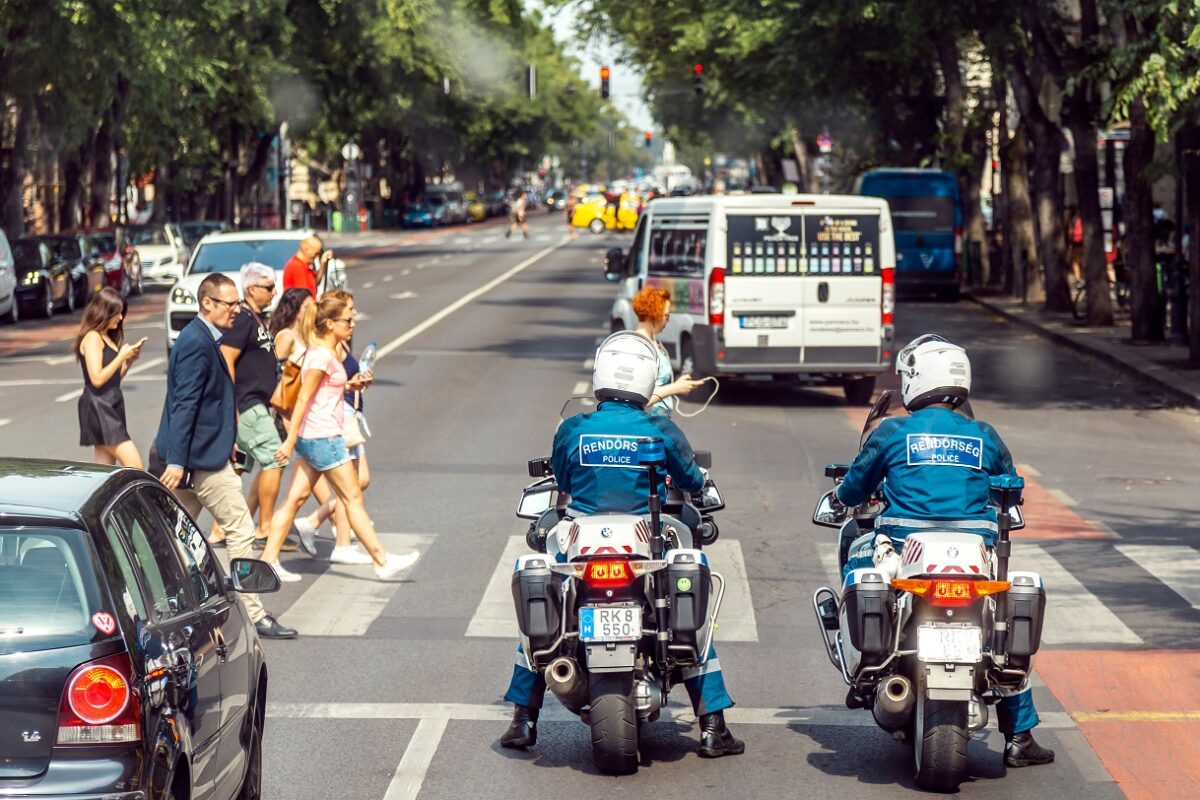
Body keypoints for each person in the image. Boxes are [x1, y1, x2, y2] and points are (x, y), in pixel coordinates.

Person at [500, 331, 744, 759]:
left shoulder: (574, 428)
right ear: (647, 379)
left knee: (545, 613)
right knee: (689, 621)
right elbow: (691, 479)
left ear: (600, 374)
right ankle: (712, 727)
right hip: (644, 540)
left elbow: (562, 479)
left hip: (580, 538)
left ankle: (523, 718)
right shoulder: (659, 428)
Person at [835, 334, 1054, 769]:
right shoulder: (983, 434)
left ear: (916, 379)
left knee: (854, 549)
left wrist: (845, 495)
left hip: (902, 552)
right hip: (973, 556)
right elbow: (1010, 491)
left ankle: (870, 660)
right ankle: (1020, 736)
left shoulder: (894, 431)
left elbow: (853, 489)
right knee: (1000, 629)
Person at [152, 273, 296, 640]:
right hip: (200, 461)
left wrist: (227, 440)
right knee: (240, 529)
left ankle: (162, 604)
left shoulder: (202, 337)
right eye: (230, 304)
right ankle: (254, 614)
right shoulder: (197, 343)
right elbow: (184, 405)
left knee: (169, 535)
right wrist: (177, 461)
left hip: (200, 454)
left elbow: (209, 403)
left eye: (237, 304)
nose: (236, 310)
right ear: (207, 303)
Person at [268, 291, 417, 581]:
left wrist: (351, 385)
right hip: (324, 438)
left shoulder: (322, 352)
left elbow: (323, 392)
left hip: (314, 436)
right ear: (329, 324)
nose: (352, 324)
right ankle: (382, 560)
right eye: (347, 321)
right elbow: (303, 398)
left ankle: (268, 560)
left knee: (295, 499)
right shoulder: (322, 356)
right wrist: (289, 440)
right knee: (352, 497)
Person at [207, 263, 286, 550]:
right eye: (269, 287)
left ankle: (220, 530)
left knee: (238, 467)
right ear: (251, 289)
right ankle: (264, 529)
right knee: (275, 460)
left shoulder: (256, 318)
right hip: (247, 404)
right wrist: (233, 406)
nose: (274, 292)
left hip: (257, 403)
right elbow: (226, 358)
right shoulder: (242, 319)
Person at [75, 287, 145, 467]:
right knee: (135, 466)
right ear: (104, 312)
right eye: (117, 313)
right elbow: (97, 379)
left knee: (105, 471)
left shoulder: (106, 337)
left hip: (110, 403)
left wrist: (128, 362)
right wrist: (120, 357)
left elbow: (112, 379)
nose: (121, 318)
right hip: (99, 406)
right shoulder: (92, 338)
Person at [632, 286, 705, 417]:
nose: (668, 320)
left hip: (657, 421)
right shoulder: (639, 347)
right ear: (654, 314)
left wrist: (678, 385)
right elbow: (639, 399)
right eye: (666, 315)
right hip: (646, 424)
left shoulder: (653, 343)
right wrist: (676, 388)